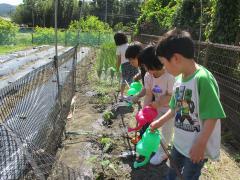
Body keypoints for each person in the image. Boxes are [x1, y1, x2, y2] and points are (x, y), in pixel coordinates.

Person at [150, 29, 226, 179]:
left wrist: (201, 144)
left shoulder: (202, 79)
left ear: (176, 58)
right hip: (179, 143)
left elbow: (213, 116)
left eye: (165, 63)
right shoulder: (179, 80)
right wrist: (158, 122)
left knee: (189, 176)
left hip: (196, 147)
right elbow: (174, 108)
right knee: (172, 171)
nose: (164, 68)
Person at [138, 46, 175, 165]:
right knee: (152, 127)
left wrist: (158, 103)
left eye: (146, 66)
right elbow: (148, 95)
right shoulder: (148, 76)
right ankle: (153, 146)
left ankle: (163, 153)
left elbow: (170, 95)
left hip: (170, 109)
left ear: (155, 64)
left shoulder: (170, 76)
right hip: (157, 108)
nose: (145, 69)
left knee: (166, 132)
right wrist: (144, 112)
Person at [114, 32, 138, 100]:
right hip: (132, 63)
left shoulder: (119, 48)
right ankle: (132, 95)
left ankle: (121, 95)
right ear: (125, 38)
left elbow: (119, 60)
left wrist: (117, 68)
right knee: (132, 80)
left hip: (124, 65)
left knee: (124, 80)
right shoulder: (129, 45)